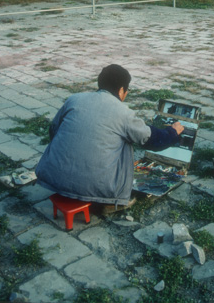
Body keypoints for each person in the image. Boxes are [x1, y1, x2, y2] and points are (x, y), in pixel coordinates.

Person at [36, 64, 184, 208]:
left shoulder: (74, 99)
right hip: (95, 188)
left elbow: (53, 130)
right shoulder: (123, 113)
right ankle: (110, 199)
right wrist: (173, 132)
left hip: (51, 178)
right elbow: (152, 140)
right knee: (127, 139)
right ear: (121, 90)